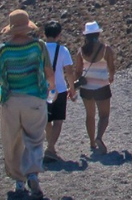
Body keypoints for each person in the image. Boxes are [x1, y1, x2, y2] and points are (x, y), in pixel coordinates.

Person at [0, 10, 54, 200]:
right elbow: (48, 72)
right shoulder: (38, 46)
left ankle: (18, 181)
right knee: (34, 139)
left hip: (11, 101)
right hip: (35, 99)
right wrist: (51, 88)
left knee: (13, 140)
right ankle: (32, 174)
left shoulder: (3, 50)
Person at [73, 21, 115, 155]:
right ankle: (99, 137)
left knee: (89, 116)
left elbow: (78, 71)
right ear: (98, 33)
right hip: (102, 86)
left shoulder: (81, 51)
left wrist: (74, 84)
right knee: (104, 115)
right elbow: (111, 66)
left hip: (86, 87)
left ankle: (91, 142)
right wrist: (111, 77)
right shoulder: (105, 49)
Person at [42, 21, 75, 162]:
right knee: (58, 120)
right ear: (59, 35)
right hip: (59, 89)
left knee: (46, 120)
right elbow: (68, 71)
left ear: (45, 33)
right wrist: (72, 88)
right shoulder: (63, 50)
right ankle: (50, 148)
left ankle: (51, 147)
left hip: (42, 89)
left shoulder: (39, 49)